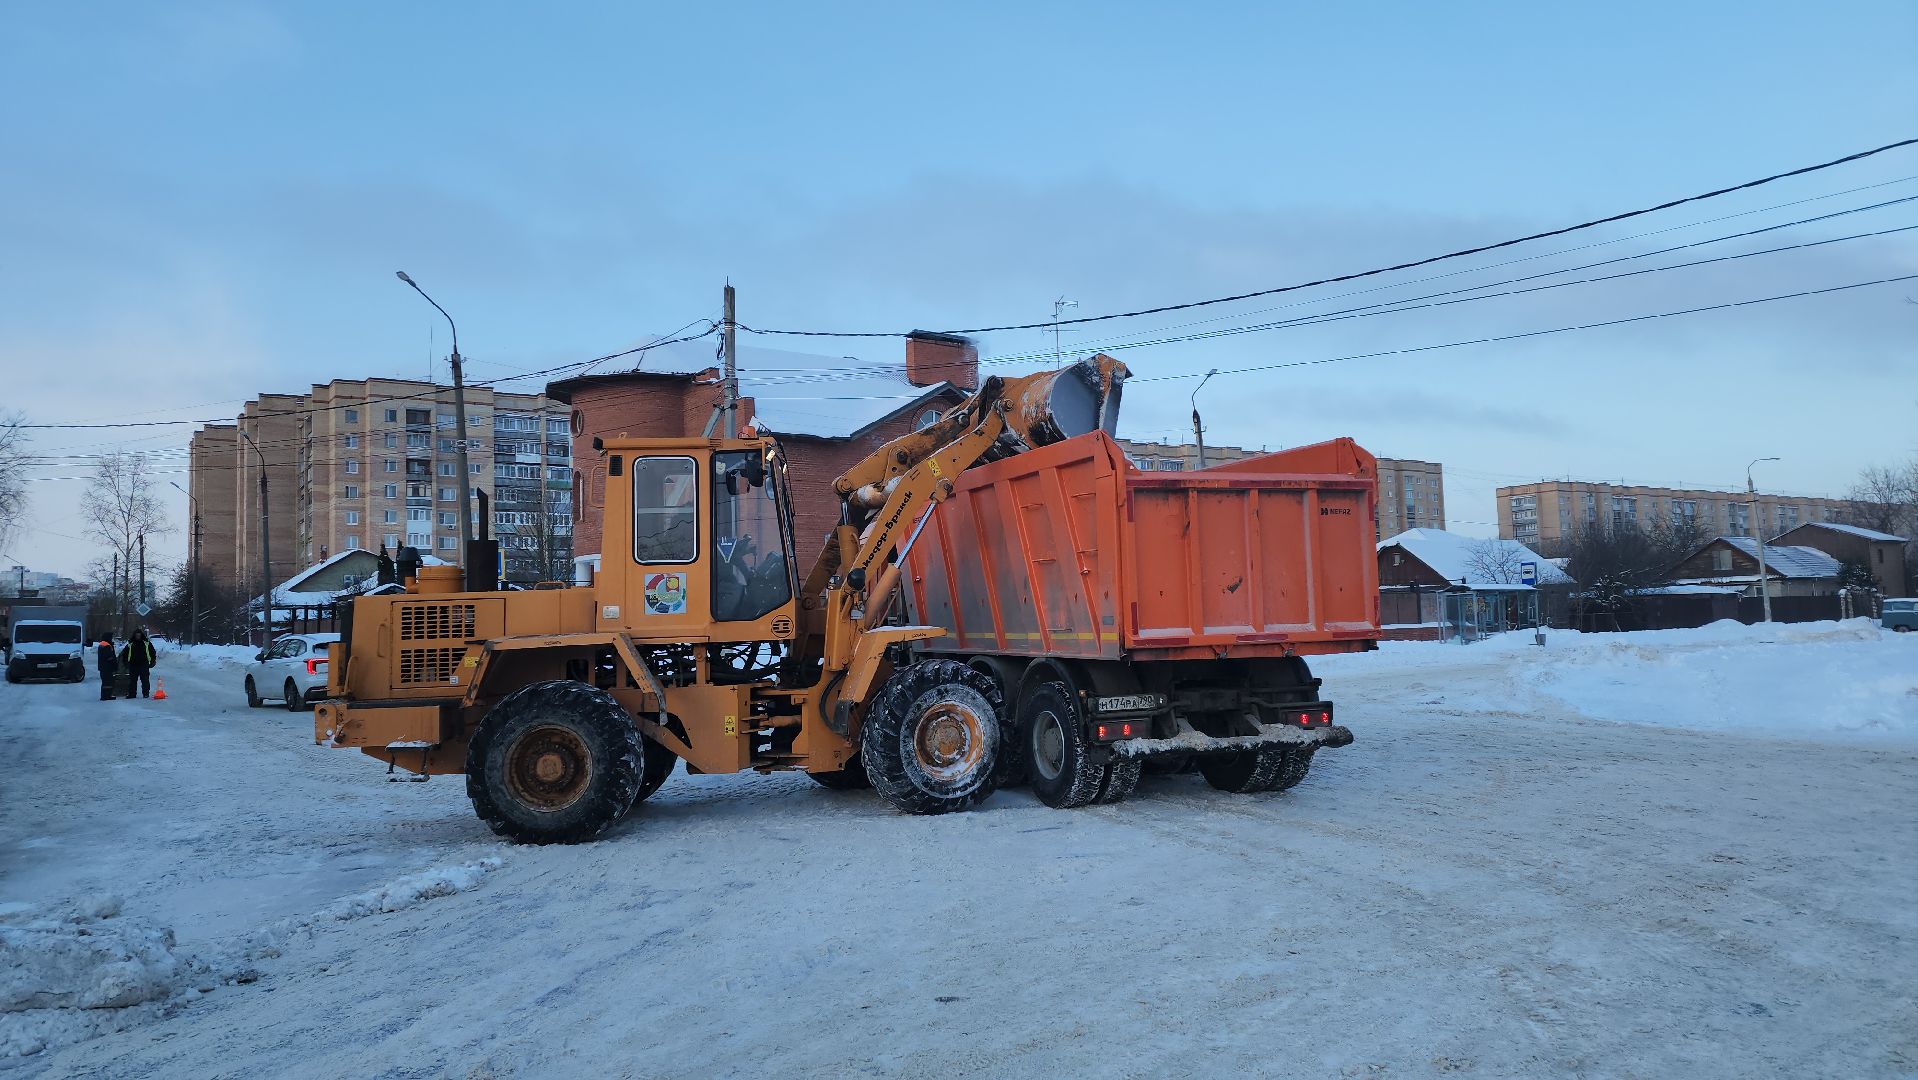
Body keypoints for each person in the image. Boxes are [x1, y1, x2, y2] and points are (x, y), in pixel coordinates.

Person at [121, 628, 158, 699]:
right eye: (136, 635)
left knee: (145, 680)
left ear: (141, 635)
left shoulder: (147, 643)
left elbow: (152, 652)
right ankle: (132, 694)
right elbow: (125, 654)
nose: (138, 636)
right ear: (134, 635)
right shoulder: (130, 644)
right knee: (132, 681)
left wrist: (153, 661)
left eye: (139, 635)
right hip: (133, 665)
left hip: (144, 664)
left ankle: (146, 693)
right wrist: (126, 663)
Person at [96, 634, 119, 700]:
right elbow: (109, 657)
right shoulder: (107, 645)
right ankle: (106, 696)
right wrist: (114, 664)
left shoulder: (103, 644)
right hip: (107, 667)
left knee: (105, 682)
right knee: (108, 682)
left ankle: (105, 695)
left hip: (103, 667)